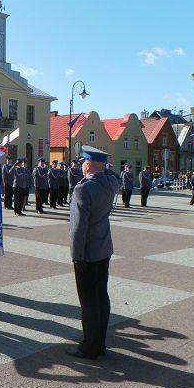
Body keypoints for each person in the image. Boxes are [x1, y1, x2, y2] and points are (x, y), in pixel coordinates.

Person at [67, 145, 120, 360]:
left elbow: (78, 227)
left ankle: (89, 347)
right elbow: (112, 173)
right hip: (103, 249)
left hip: (87, 253)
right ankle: (100, 344)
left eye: (82, 162)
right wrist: (105, 167)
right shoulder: (111, 183)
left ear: (88, 164)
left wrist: (76, 255)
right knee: (101, 297)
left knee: (88, 302)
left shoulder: (83, 189)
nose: (80, 165)